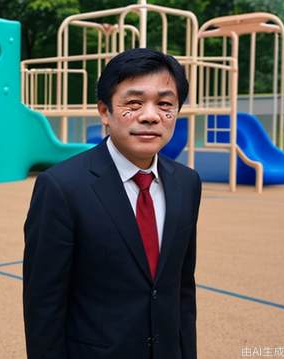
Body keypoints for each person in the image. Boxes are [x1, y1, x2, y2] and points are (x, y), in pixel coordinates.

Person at [23, 48, 201, 359]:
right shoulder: (62, 187)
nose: (150, 115)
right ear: (104, 111)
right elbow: (44, 305)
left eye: (165, 104)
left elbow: (182, 288)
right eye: (133, 103)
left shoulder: (187, 183)